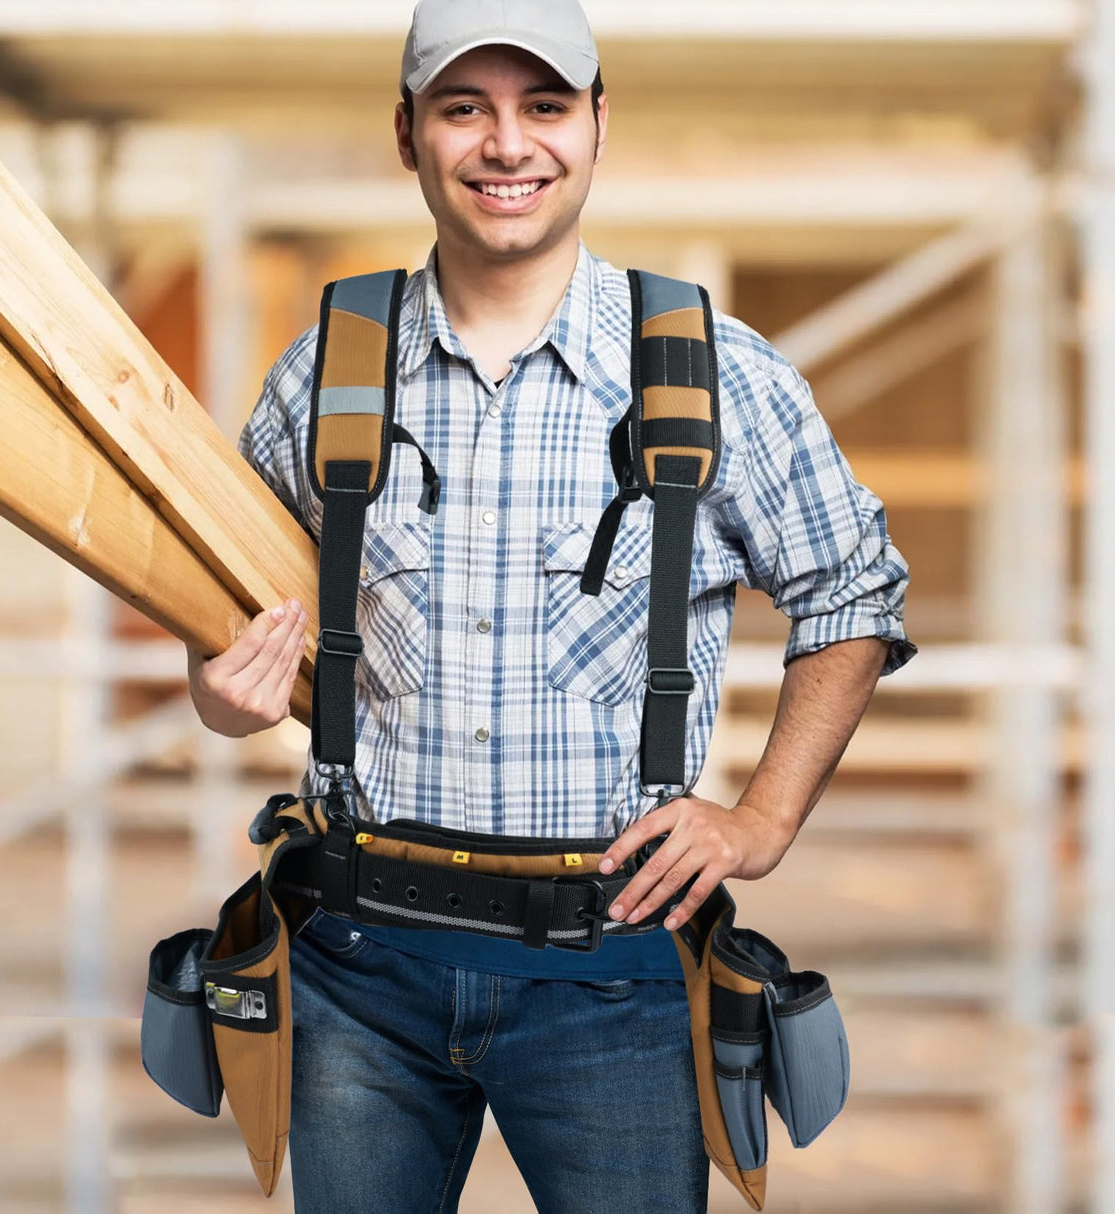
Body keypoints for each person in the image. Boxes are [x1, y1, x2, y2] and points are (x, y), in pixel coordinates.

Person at [186, 1, 916, 1210]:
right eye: (462, 107)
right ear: (407, 133)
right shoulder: (328, 367)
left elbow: (852, 584)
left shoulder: (705, 364)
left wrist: (762, 818)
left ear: (596, 125)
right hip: (358, 962)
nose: (505, 144)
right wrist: (217, 695)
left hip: (612, 968)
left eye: (543, 107)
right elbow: (219, 638)